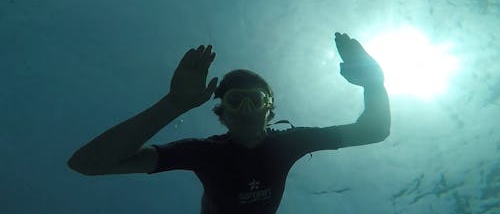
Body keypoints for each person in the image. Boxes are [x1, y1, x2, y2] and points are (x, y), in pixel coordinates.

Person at [67, 32, 391, 214]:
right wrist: (174, 104)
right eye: (236, 100)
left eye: (256, 100)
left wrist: (375, 83)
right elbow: (87, 164)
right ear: (221, 112)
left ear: (270, 110)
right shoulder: (201, 152)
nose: (247, 108)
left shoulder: (290, 142)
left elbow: (374, 130)